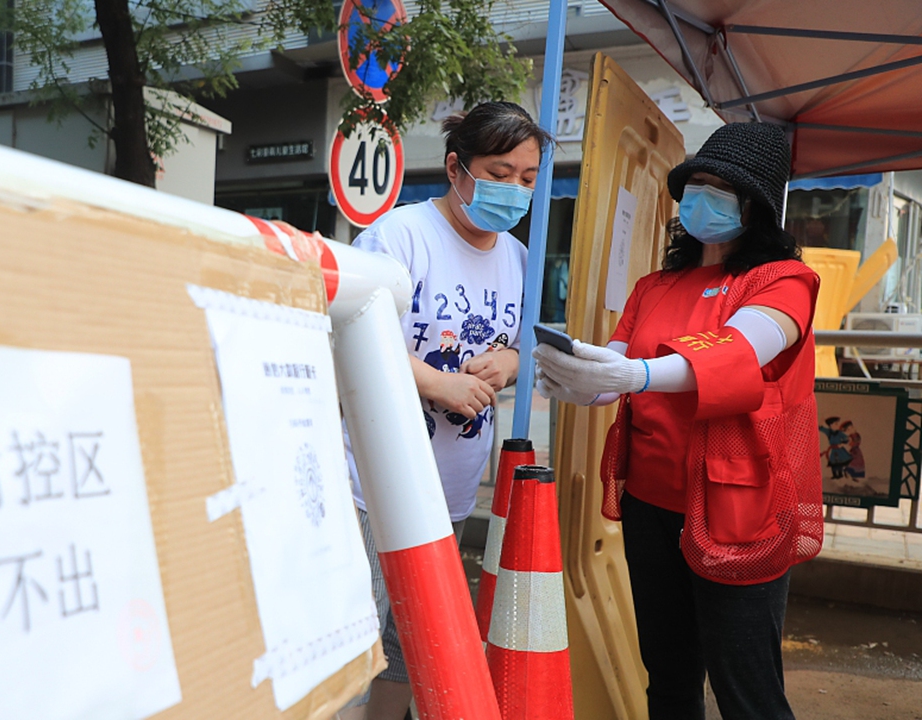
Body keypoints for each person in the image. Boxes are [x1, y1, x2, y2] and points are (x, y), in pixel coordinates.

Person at [533, 122, 823, 720]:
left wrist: (634, 375)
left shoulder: (783, 282)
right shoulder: (655, 285)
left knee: (749, 691)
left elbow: (739, 353)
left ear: (757, 207)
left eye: (721, 188)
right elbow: (618, 358)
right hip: (650, 502)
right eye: (697, 184)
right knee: (667, 676)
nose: (701, 198)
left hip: (738, 509)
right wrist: (580, 374)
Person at [339, 101, 552, 720]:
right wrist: (439, 383)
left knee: (413, 644)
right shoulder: (398, 236)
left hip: (447, 491)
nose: (515, 189)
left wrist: (511, 363)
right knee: (357, 641)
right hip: (369, 484)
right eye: (501, 171)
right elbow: (349, 333)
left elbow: (520, 343)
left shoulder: (517, 259)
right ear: (457, 169)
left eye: (529, 177)